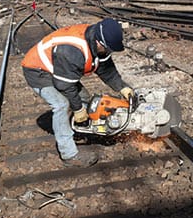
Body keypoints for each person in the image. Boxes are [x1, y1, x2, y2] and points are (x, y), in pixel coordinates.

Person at [21, 18, 134, 167]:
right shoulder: (72, 51)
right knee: (62, 104)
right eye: (108, 49)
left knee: (84, 98)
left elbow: (106, 69)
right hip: (38, 71)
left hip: (59, 68)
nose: (109, 52)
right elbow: (65, 86)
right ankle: (69, 154)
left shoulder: (96, 41)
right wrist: (78, 109)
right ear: (100, 43)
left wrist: (122, 87)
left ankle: (83, 128)